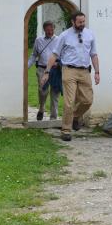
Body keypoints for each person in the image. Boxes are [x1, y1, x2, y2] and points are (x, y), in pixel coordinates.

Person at [42, 11, 100, 141]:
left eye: (83, 21)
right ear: (73, 22)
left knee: (87, 100)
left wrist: (97, 72)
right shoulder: (64, 35)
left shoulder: (90, 34)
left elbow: (94, 54)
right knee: (69, 102)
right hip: (69, 70)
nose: (82, 24)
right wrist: (47, 72)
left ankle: (74, 116)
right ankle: (66, 130)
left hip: (85, 71)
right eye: (79, 22)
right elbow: (55, 54)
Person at [28, 20, 60, 121]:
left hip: (55, 70)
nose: (50, 32)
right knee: (43, 91)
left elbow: (63, 54)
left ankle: (53, 118)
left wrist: (58, 63)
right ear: (44, 30)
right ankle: (41, 108)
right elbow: (34, 55)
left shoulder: (59, 40)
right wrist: (27, 66)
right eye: (47, 30)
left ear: (54, 29)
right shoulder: (39, 40)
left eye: (51, 30)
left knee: (55, 93)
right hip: (42, 68)